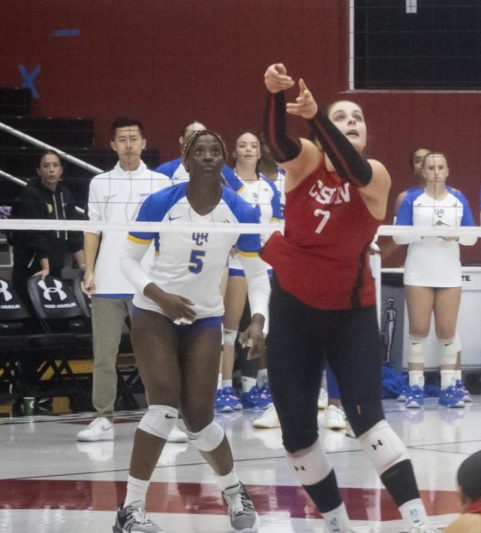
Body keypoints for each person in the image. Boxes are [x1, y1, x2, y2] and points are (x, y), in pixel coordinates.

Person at [260, 63, 433, 533]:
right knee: (296, 434)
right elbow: (277, 143)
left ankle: (419, 524)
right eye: (343, 117)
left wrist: (318, 116)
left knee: (367, 420)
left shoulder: (376, 175)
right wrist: (275, 94)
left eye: (357, 118)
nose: (352, 123)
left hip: (349, 312)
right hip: (293, 309)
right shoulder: (308, 161)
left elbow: (354, 169)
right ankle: (337, 525)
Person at [111, 129, 267, 533]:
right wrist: (159, 296)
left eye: (216, 150)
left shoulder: (241, 211)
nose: (209, 156)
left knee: (199, 419)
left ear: (225, 159)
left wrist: (260, 316)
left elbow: (256, 271)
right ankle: (130, 510)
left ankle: (234, 493)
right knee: (163, 407)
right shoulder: (162, 202)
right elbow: (127, 259)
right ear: (185, 159)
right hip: (154, 313)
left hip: (205, 318)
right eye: (200, 151)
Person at [76, 117, 171, 443]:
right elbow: (92, 229)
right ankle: (102, 417)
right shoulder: (100, 182)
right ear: (113, 145)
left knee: (155, 354)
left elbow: (168, 235)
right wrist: (89, 270)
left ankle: (161, 417)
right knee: (104, 353)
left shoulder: (160, 183)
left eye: (134, 138)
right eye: (122, 139)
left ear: (144, 143)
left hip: (147, 284)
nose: (129, 144)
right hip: (107, 283)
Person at [394, 150, 476, 409]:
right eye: (431, 167)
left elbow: (472, 236)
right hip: (419, 272)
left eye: (441, 167)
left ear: (448, 170)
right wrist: (423, 232)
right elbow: (398, 237)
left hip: (449, 273)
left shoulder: (458, 198)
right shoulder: (412, 200)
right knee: (418, 330)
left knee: (447, 331)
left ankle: (448, 387)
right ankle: (415, 387)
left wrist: (455, 235)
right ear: (423, 171)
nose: (436, 172)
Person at [215, 131, 282, 414]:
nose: (248, 149)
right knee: (229, 328)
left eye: (253, 145)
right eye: (242, 145)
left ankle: (253, 385)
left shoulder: (270, 186)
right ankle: (223, 388)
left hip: (261, 261)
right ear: (235, 151)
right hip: (234, 262)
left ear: (259, 152)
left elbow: (276, 223)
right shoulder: (226, 182)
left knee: (261, 326)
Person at [9, 150, 85, 295]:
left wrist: (83, 265)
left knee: (56, 314)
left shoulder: (66, 194)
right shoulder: (30, 193)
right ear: (39, 171)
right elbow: (35, 233)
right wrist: (45, 267)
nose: (51, 170)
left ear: (61, 170)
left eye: (55, 165)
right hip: (31, 267)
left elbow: (74, 232)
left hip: (55, 266)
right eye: (46, 166)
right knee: (31, 314)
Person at [155, 119, 240, 188]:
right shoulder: (165, 170)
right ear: (182, 140)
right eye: (192, 135)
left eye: (202, 136)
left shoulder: (221, 168)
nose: (197, 140)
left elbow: (243, 197)